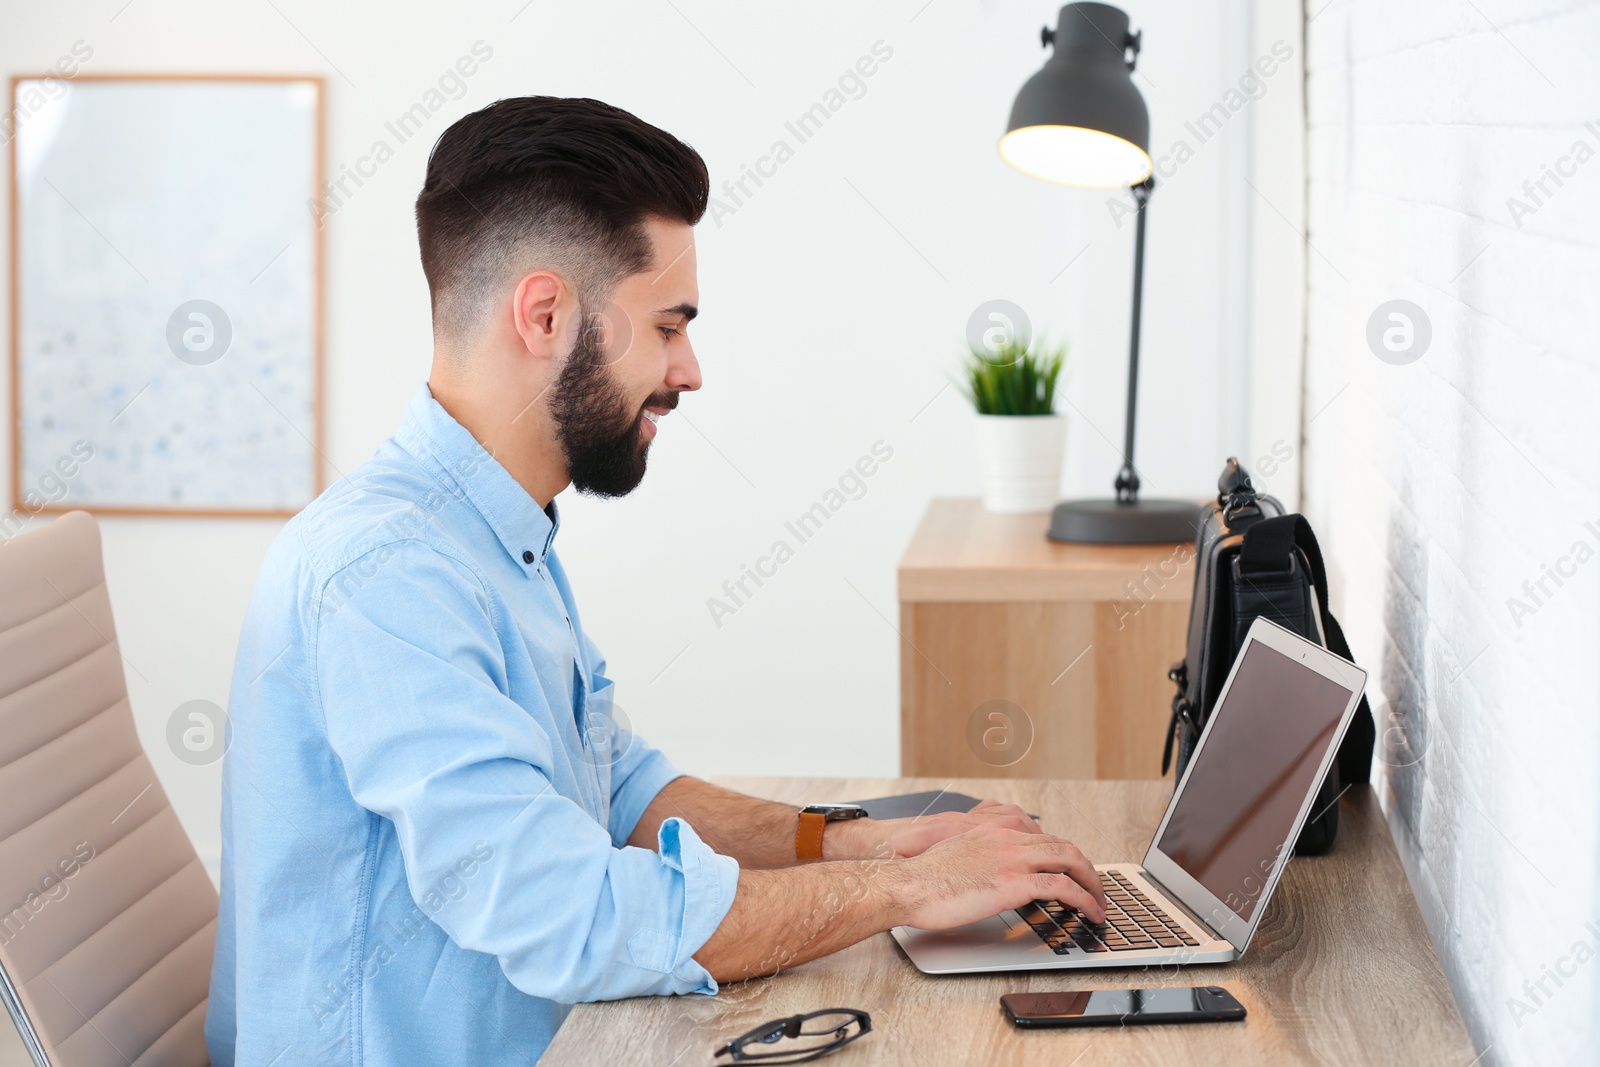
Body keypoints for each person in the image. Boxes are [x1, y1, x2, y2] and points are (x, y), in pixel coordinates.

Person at [205, 95, 1105, 1066]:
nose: (691, 369)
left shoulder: (494, 533)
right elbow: (565, 915)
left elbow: (617, 787)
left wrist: (863, 844)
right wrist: (907, 893)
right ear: (546, 314)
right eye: (668, 326)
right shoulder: (382, 573)